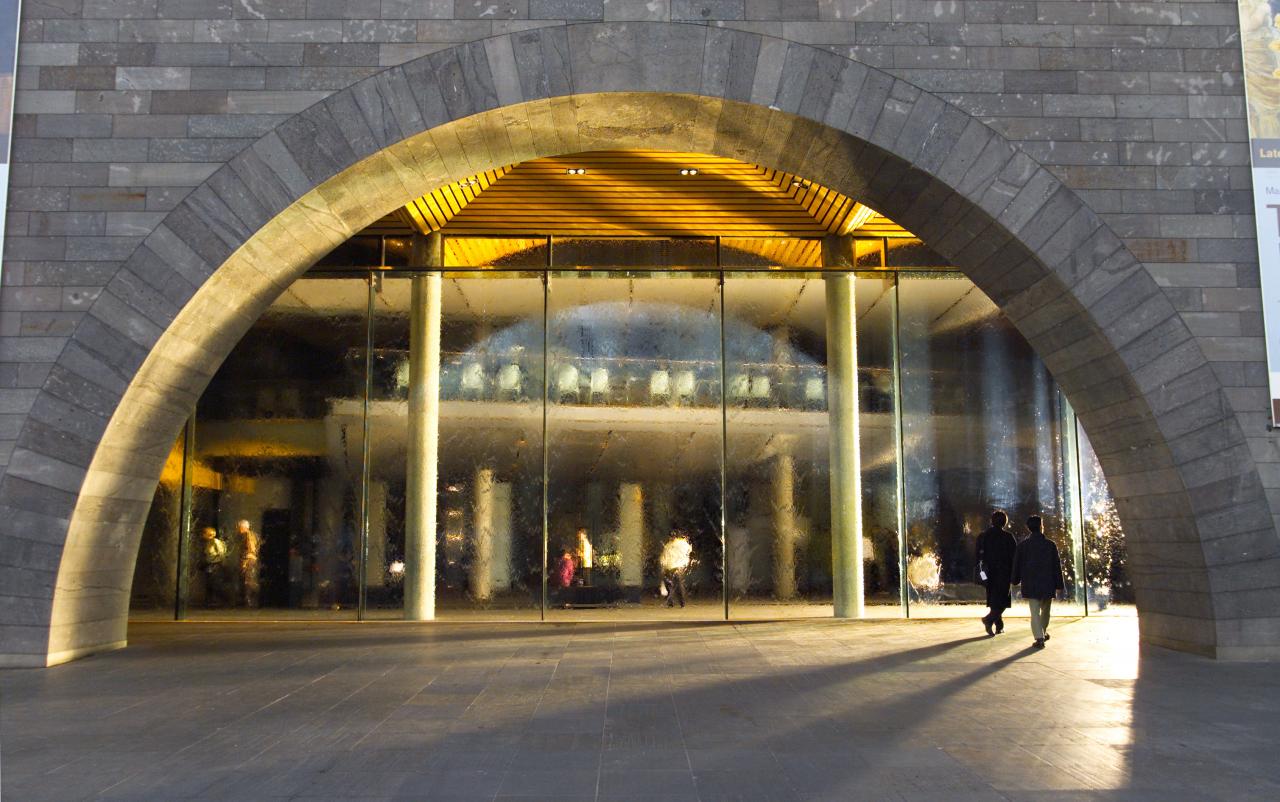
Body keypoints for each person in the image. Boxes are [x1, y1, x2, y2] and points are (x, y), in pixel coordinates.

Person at [1010, 515, 1065, 649]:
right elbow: (1056, 566)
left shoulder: (1023, 546)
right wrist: (1059, 584)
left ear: (1028, 528)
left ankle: (1039, 637)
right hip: (1048, 582)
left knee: (1034, 612)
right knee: (1045, 611)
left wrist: (1015, 580)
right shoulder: (1050, 545)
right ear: (1041, 527)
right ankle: (1043, 631)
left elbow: (1017, 565)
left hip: (1030, 582)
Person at [976, 510, 1018, 636]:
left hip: (988, 573)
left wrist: (980, 571)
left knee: (994, 599)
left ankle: (999, 625)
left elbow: (977, 555)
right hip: (1004, 573)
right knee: (1003, 600)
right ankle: (988, 620)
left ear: (992, 521)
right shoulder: (1008, 537)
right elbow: (1014, 557)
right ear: (1005, 522)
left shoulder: (983, 536)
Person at [659, 533, 693, 608]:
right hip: (671, 567)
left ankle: (680, 602)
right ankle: (673, 602)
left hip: (676, 567)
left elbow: (687, 551)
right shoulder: (669, 545)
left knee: (677, 585)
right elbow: (665, 556)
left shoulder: (679, 543)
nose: (671, 538)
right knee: (672, 585)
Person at [199, 526, 227, 607]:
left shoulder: (215, 541)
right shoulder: (208, 543)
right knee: (209, 583)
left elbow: (221, 553)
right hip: (210, 565)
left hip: (215, 565)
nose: (202, 535)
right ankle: (210, 601)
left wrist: (217, 561)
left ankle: (216, 601)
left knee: (214, 583)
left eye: (204, 533)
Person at [237, 519, 262, 608]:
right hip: (251, 560)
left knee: (248, 581)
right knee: (248, 580)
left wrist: (246, 559)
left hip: (249, 560)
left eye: (239, 527)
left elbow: (251, 548)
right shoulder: (253, 535)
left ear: (243, 527)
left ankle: (249, 600)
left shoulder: (248, 535)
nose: (238, 529)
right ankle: (248, 600)